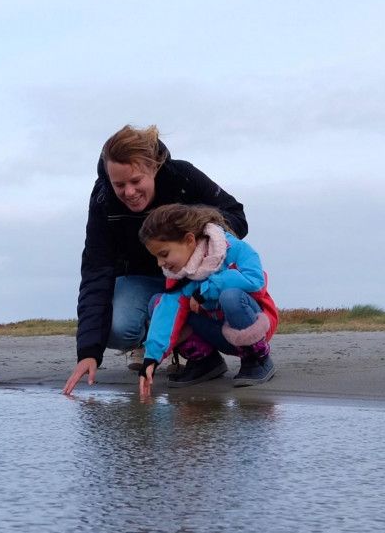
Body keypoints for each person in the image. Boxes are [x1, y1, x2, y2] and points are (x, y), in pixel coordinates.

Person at [63, 125, 248, 396]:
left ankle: (204, 354)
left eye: (136, 181)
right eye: (120, 185)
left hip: (192, 276)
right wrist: (89, 352)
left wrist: (198, 238)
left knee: (209, 297)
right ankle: (173, 349)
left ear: (154, 168)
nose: (128, 192)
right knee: (118, 328)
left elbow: (237, 217)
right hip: (141, 279)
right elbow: (96, 270)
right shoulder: (103, 198)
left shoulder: (182, 178)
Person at [132, 204, 278, 396]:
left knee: (230, 296)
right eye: (156, 258)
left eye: (164, 254)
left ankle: (257, 358)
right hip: (215, 333)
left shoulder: (236, 250)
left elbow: (255, 282)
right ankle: (205, 361)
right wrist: (151, 359)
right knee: (160, 303)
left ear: (189, 240)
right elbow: (167, 313)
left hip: (251, 325)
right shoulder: (178, 274)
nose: (160, 264)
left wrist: (206, 290)